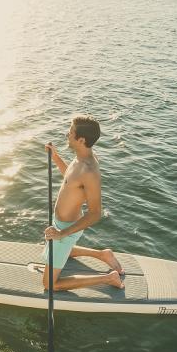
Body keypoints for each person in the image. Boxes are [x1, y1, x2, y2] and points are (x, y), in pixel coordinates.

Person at [42, 115, 124, 291]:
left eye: (70, 132)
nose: (67, 135)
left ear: (81, 139)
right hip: (61, 226)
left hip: (66, 227)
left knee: (49, 284)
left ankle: (109, 278)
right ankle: (103, 254)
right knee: (61, 249)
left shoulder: (89, 170)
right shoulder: (80, 156)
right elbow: (70, 181)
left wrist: (62, 234)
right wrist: (56, 158)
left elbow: (95, 213)